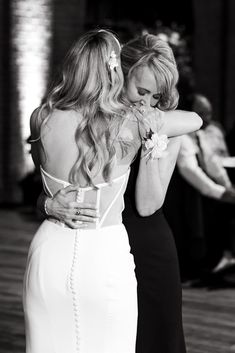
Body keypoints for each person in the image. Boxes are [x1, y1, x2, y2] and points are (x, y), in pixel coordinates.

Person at [40, 33, 202, 353]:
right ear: (119, 75)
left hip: (147, 247)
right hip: (92, 249)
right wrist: (48, 204)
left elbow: (147, 205)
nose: (147, 103)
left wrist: (151, 141)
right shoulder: (85, 122)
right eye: (141, 91)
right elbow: (52, 187)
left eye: (157, 97)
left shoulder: (163, 125)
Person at [175, 94, 235, 277]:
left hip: (203, 195)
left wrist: (227, 186)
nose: (207, 119)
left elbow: (212, 163)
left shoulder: (200, 135)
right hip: (185, 197)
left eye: (208, 113)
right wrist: (219, 193)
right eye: (202, 113)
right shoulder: (181, 138)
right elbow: (191, 171)